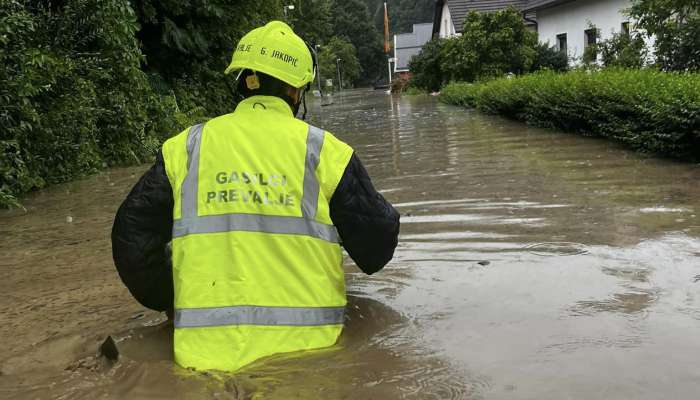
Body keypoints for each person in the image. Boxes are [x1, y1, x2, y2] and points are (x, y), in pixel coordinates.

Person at [111, 21, 399, 372]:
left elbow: (131, 237)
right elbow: (377, 246)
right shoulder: (326, 152)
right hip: (313, 362)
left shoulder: (185, 149)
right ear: (297, 91)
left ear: (242, 82)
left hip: (201, 364)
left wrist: (170, 299)